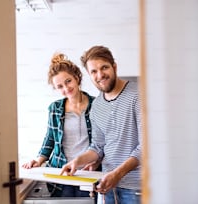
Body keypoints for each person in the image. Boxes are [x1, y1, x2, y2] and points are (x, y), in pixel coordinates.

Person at [61, 45, 141, 204]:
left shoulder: (138, 95)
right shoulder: (96, 106)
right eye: (94, 71)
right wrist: (78, 161)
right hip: (107, 187)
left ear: (114, 67)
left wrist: (117, 174)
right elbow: (98, 146)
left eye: (104, 67)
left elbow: (146, 147)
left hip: (136, 188)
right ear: (89, 75)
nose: (100, 75)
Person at [22, 53, 100, 198]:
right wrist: (39, 160)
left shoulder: (97, 105)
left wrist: (98, 161)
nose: (66, 88)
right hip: (61, 173)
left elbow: (104, 141)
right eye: (60, 86)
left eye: (68, 81)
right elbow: (50, 138)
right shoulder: (55, 108)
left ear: (77, 78)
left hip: (88, 172)